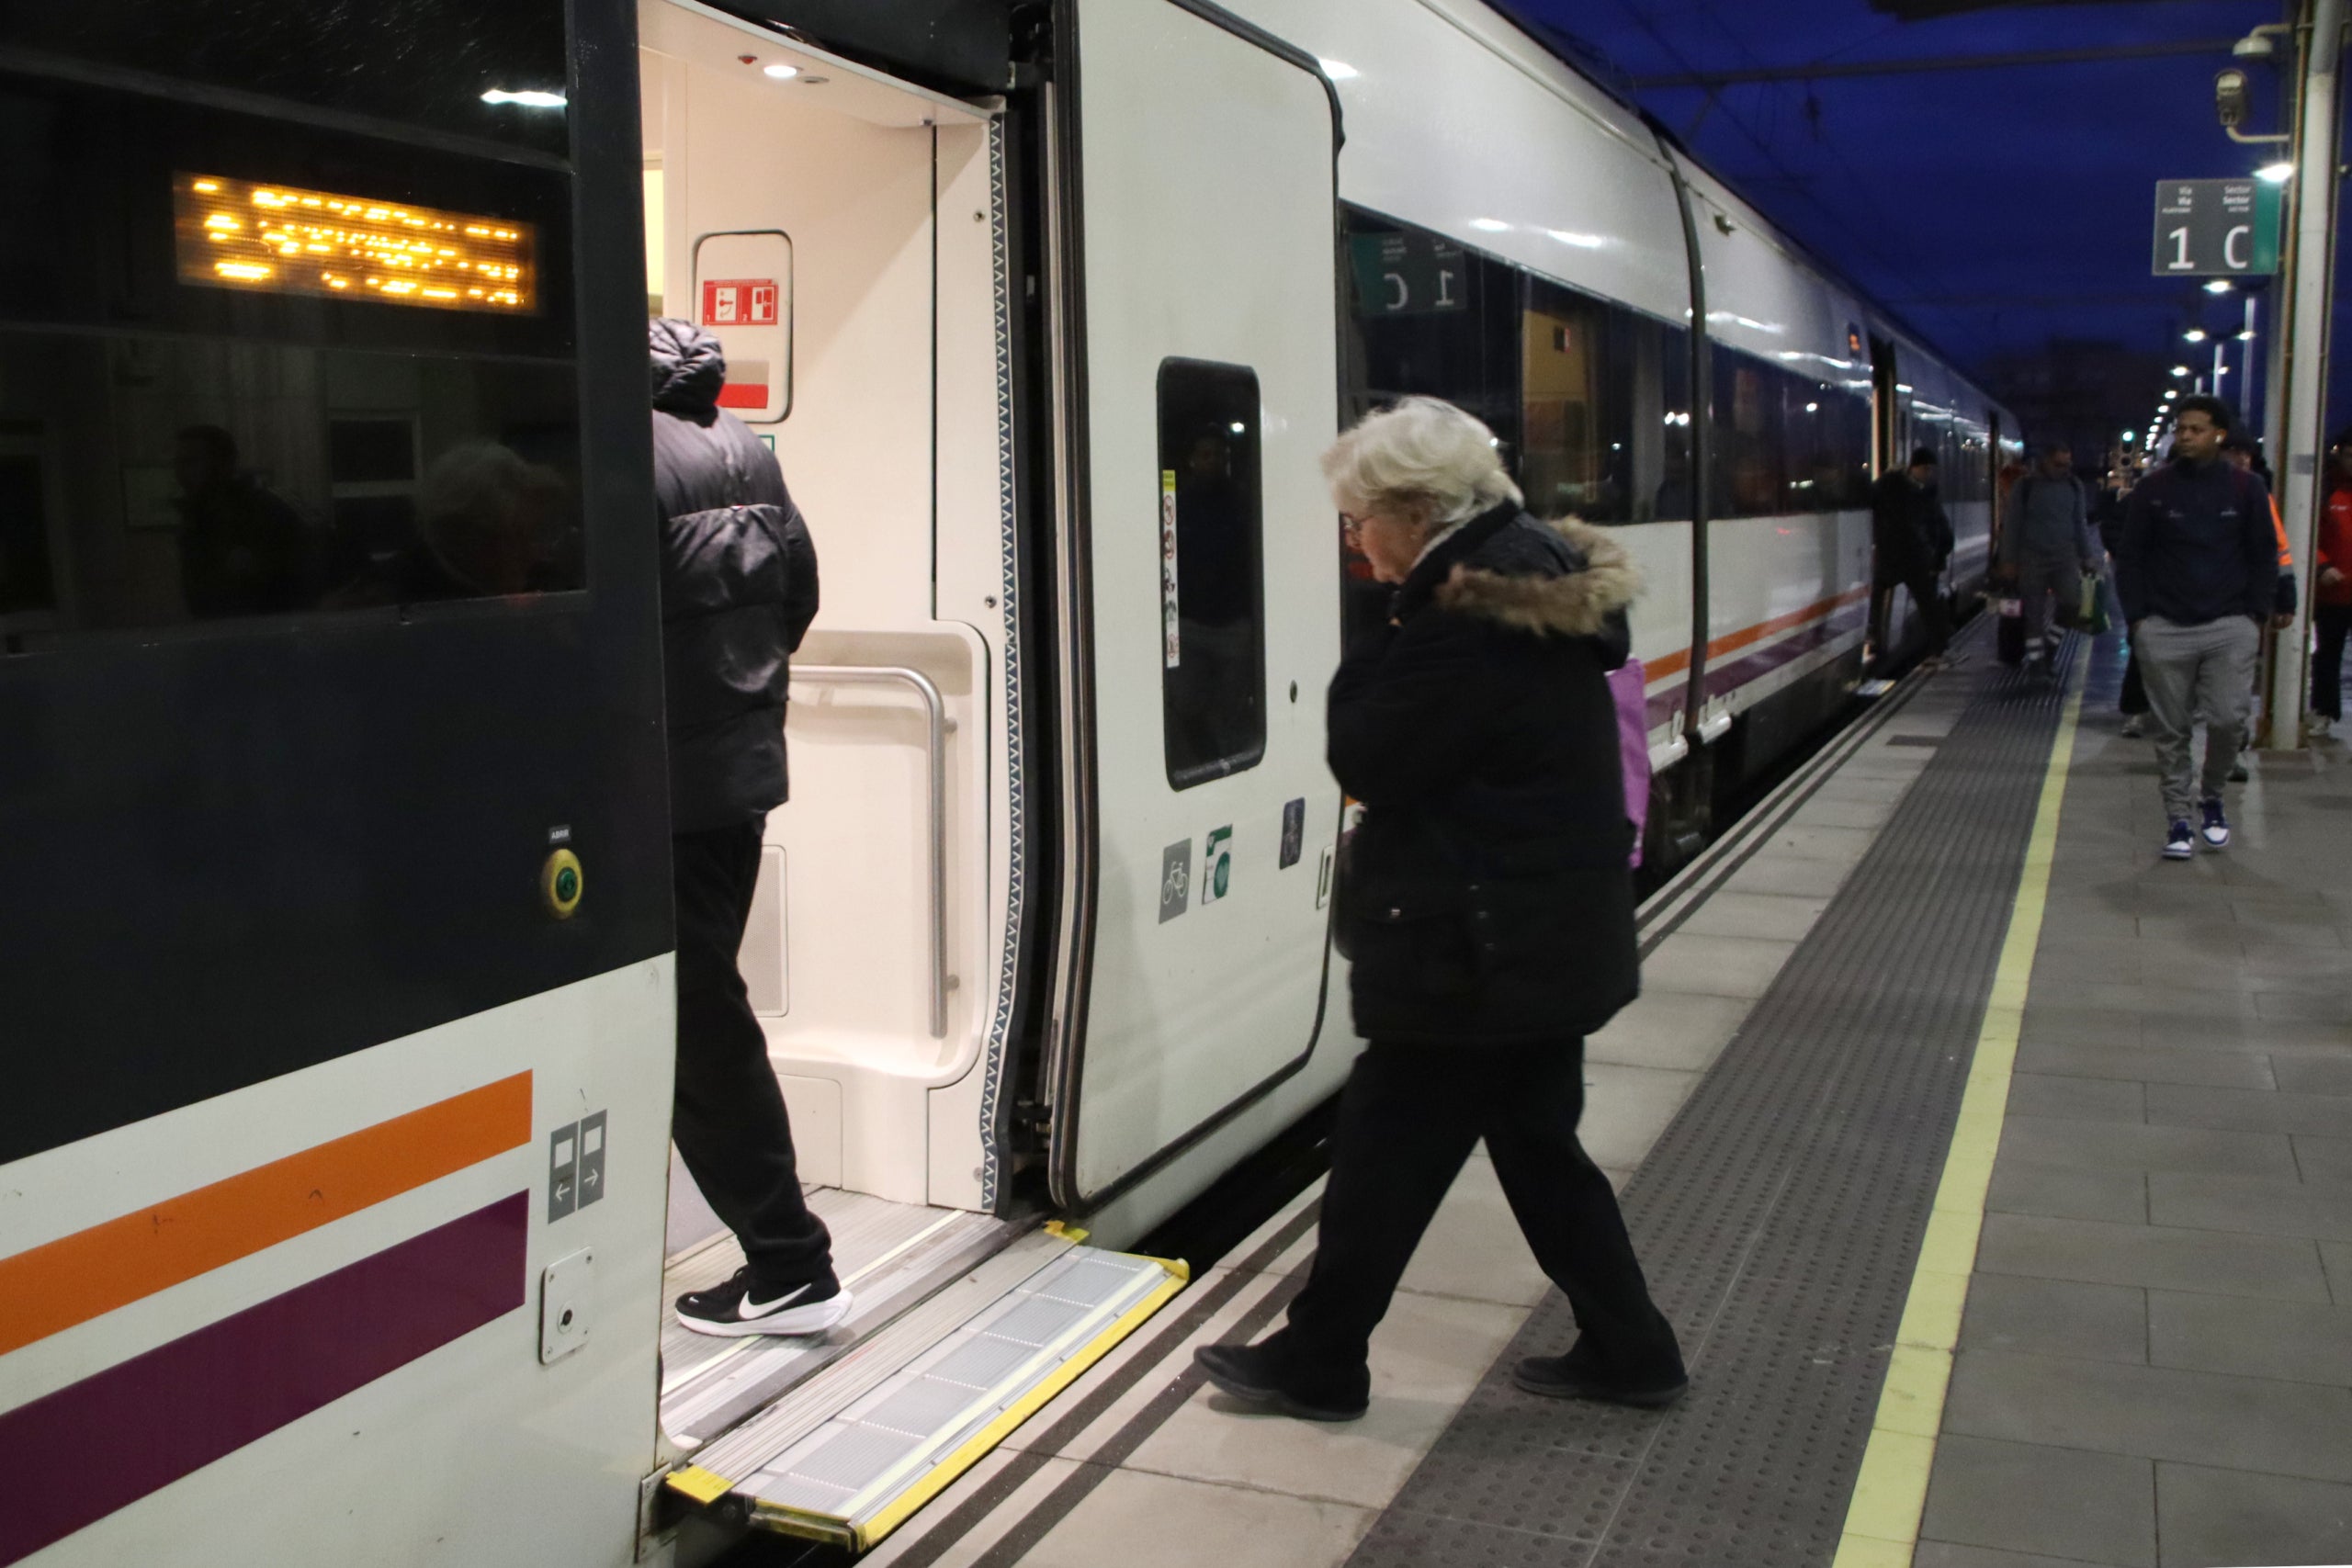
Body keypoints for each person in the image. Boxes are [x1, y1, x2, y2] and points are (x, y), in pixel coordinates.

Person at [1194, 398, 1685, 1421]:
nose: (1351, 539)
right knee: (1535, 1146)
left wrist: (1379, 628)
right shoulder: (1527, 577)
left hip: (1474, 949)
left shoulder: (1458, 621)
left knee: (1385, 1150)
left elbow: (1370, 756)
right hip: (1532, 934)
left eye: (1358, 518)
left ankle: (1323, 1360)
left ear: (1414, 514)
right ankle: (1630, 1348)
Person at [648, 317, 845, 1337]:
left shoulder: (614, 453)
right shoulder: (743, 449)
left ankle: (788, 1265)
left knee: (696, 1031)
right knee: (697, 1014)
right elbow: (796, 595)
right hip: (735, 775)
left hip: (659, 789)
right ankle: (774, 1255)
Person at [2114, 396, 2277, 862]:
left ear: (2219, 435)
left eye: (2196, 429)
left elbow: (2264, 554)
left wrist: (2255, 616)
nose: (2185, 436)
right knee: (2172, 730)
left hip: (2229, 624)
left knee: (2228, 719)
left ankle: (2211, 794)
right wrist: (2139, 619)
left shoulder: (2247, 490)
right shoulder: (2154, 490)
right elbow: (2132, 556)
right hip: (2164, 626)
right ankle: (2178, 818)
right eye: (2181, 429)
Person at [174, 424, 314, 618]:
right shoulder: (196, 519)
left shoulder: (268, 512)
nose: (179, 473)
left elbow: (305, 586)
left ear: (224, 464)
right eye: (178, 463)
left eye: (191, 462)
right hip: (216, 638)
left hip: (269, 638)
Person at [1999, 442, 2102, 680]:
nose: (2064, 469)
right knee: (2033, 612)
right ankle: (2037, 662)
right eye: (2059, 464)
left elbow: (2080, 524)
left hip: (2064, 557)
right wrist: (2009, 561)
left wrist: (2087, 556)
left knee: (2072, 604)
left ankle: (2050, 647)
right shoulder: (2025, 487)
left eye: (2068, 464)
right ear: (2045, 461)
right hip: (2031, 559)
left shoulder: (2073, 486)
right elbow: (2012, 525)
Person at [1870, 446, 1955, 670]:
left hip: (1915, 557)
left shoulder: (1925, 492)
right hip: (1899, 554)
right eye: (1925, 469)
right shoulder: (1894, 486)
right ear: (1913, 468)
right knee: (1880, 592)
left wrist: (1937, 554)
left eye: (1931, 470)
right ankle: (1873, 636)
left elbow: (1937, 526)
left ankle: (1940, 648)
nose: (1928, 474)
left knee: (1927, 604)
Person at [2311, 431, 2352, 739]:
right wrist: (2322, 565)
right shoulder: (2325, 491)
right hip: (2332, 593)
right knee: (2327, 655)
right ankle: (2324, 711)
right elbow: (2307, 533)